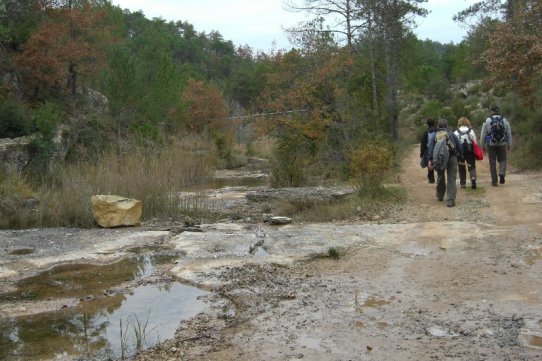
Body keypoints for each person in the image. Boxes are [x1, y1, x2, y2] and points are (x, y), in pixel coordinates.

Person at [427, 118, 463, 207]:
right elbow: (459, 147)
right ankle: (450, 200)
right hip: (451, 157)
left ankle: (440, 195)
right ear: (447, 126)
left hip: (440, 158)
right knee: (451, 178)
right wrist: (460, 157)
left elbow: (431, 148)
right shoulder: (452, 134)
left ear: (438, 126)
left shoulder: (435, 135)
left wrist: (430, 160)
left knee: (440, 176)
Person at [479, 106, 513, 186]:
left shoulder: (487, 120)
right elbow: (509, 133)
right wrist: (509, 144)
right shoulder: (504, 120)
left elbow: (483, 134)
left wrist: (482, 146)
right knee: (503, 160)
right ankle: (501, 172)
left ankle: (494, 181)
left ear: (491, 112)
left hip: (491, 144)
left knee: (492, 162)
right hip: (502, 143)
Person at [454, 117, 478, 189]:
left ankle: (463, 183)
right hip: (469, 151)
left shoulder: (456, 132)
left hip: (460, 152)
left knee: (461, 167)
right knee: (471, 166)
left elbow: (454, 143)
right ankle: (473, 178)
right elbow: (475, 141)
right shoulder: (471, 131)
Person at [420, 118, 437, 183]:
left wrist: (422, 153)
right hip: (436, 148)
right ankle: (440, 177)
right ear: (434, 123)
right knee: (437, 162)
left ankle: (431, 178)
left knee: (429, 163)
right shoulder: (437, 131)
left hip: (428, 149)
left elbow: (423, 144)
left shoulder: (425, 133)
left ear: (427, 124)